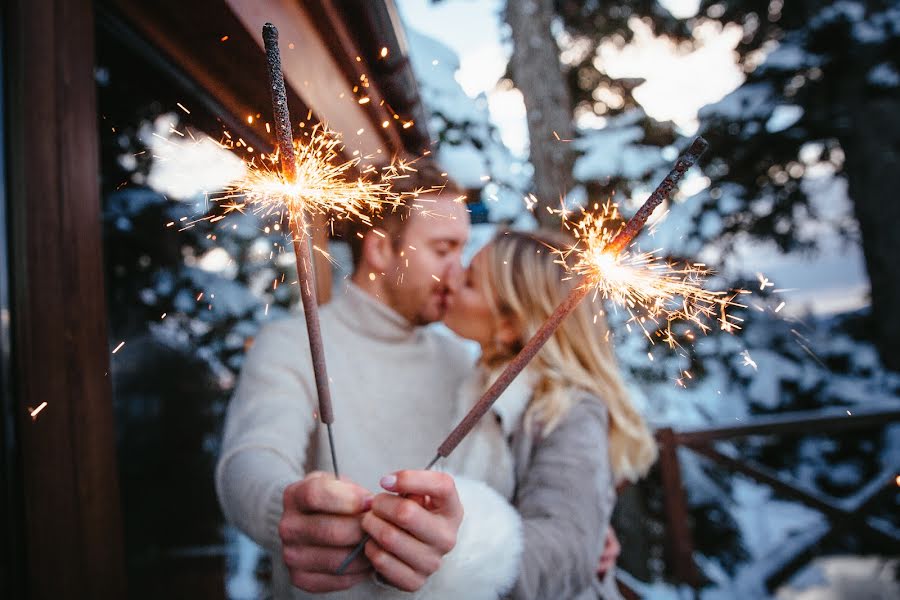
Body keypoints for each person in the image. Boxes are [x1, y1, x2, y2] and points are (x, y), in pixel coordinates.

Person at [216, 167, 526, 599]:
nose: (458, 272)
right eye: (443, 250)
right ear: (381, 250)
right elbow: (250, 460)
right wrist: (284, 509)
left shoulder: (460, 360)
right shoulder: (293, 344)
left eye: (462, 250)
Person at [442, 229, 659, 599]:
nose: (450, 279)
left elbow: (563, 553)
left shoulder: (571, 411)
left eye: (470, 281)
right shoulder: (471, 381)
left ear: (510, 324)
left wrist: (438, 553)